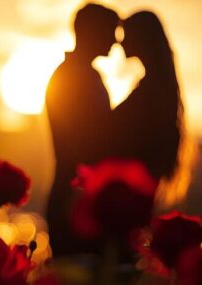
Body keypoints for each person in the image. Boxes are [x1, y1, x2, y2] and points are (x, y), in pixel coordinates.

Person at [45, 3, 119, 256]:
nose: (116, 40)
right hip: (72, 197)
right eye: (111, 31)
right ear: (92, 32)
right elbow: (83, 141)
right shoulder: (71, 78)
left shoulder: (85, 75)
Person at [113, 11, 182, 181]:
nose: (120, 42)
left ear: (142, 38)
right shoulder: (157, 86)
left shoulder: (150, 92)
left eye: (126, 34)